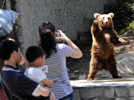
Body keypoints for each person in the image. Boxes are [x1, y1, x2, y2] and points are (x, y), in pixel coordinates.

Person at [38, 22, 83, 100]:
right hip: (64, 92)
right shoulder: (62, 48)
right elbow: (79, 54)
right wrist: (66, 39)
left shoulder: (37, 51)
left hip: (47, 94)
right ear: (54, 33)